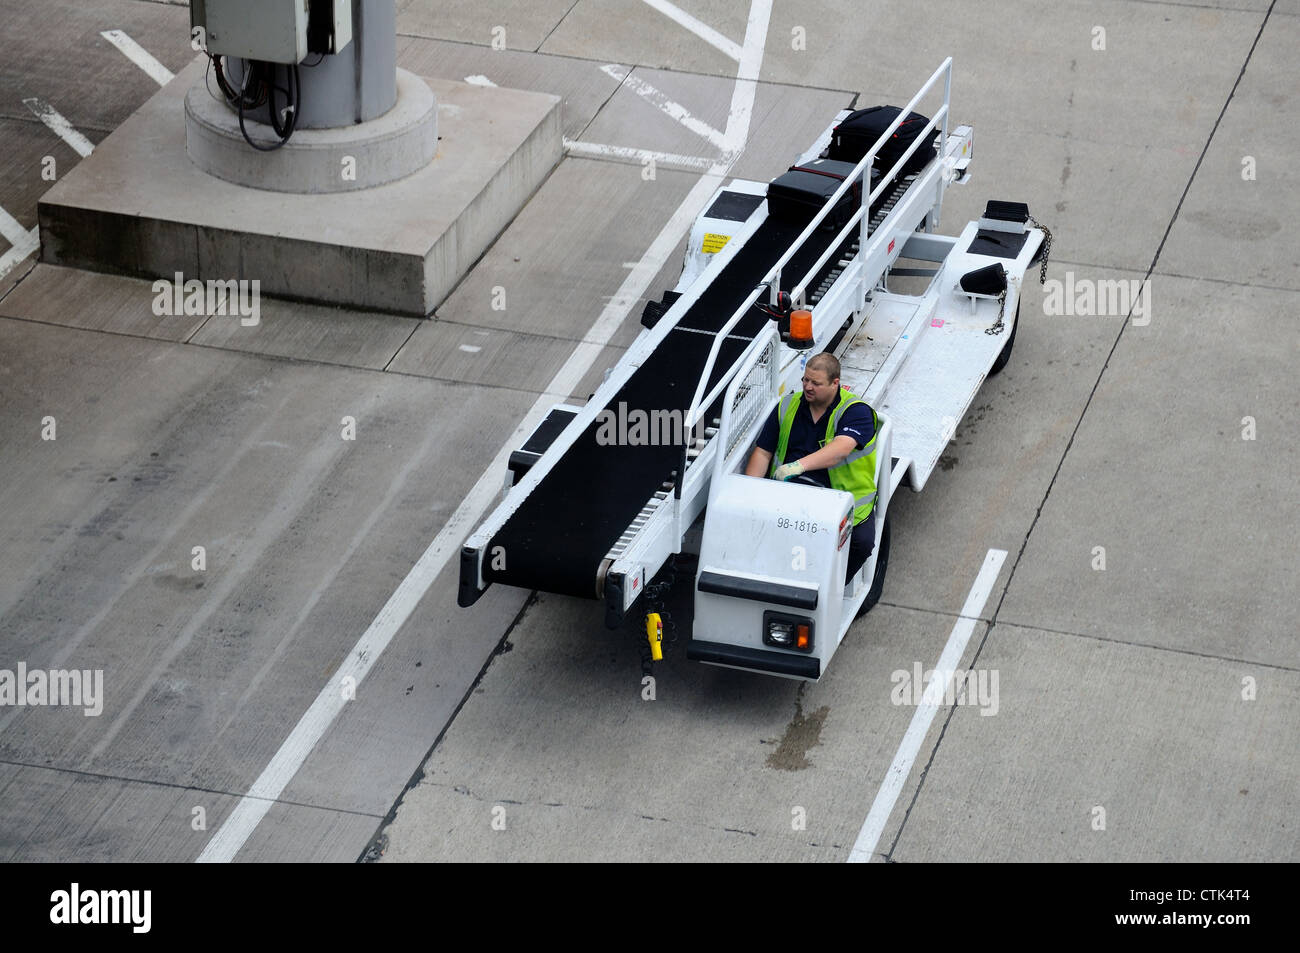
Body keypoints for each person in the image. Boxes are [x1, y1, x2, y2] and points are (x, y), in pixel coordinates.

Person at [745, 352, 879, 582]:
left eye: (816, 383)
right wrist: (750, 493)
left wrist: (797, 466)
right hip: (791, 493)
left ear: (835, 383)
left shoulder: (856, 412)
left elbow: (841, 449)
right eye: (805, 380)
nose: (808, 387)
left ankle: (833, 586)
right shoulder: (787, 406)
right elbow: (763, 452)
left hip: (840, 498)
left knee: (862, 543)